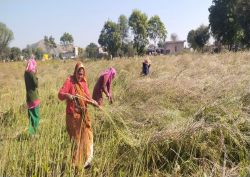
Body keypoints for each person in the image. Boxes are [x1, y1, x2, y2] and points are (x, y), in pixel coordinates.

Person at [58, 62, 100, 168]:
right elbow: (60, 94)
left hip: (83, 116)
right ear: (75, 72)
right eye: (78, 73)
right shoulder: (69, 81)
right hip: (72, 117)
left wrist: (94, 103)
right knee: (76, 141)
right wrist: (68, 95)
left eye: (82, 74)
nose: (80, 76)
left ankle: (85, 161)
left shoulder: (84, 83)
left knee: (87, 135)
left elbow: (88, 98)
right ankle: (74, 164)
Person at [24, 55, 40, 135]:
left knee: (31, 116)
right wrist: (36, 76)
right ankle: (35, 133)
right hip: (34, 98)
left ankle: (31, 133)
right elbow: (36, 84)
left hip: (28, 98)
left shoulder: (25, 73)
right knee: (36, 116)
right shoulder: (31, 73)